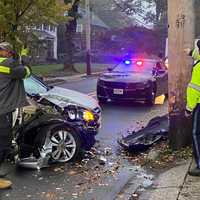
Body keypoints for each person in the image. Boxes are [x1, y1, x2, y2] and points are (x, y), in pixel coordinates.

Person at [0, 42, 31, 189]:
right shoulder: (10, 64)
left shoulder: (5, 64)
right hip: (2, 109)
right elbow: (26, 72)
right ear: (9, 53)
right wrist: (24, 56)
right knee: (3, 143)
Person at [185, 40, 200, 176]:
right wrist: (190, 52)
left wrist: (189, 108)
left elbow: (194, 89)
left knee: (196, 134)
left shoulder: (199, 67)